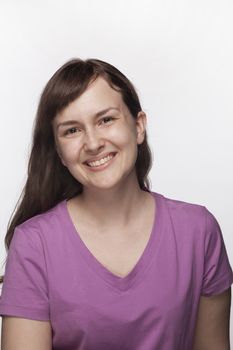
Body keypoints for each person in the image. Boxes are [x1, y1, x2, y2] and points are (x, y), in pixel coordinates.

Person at [0, 58, 232, 350]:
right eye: (72, 130)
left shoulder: (198, 232)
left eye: (106, 119)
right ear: (59, 152)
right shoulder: (35, 244)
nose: (93, 142)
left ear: (138, 126)